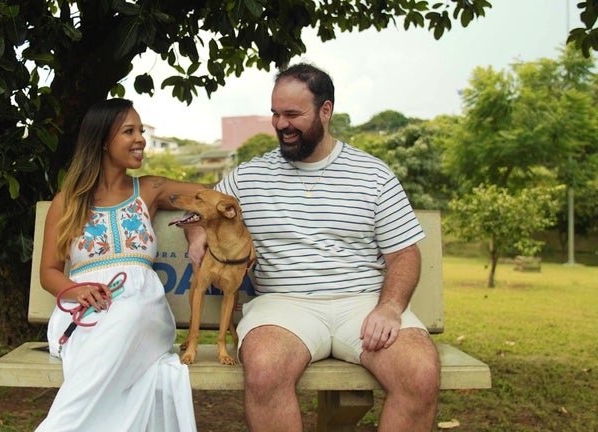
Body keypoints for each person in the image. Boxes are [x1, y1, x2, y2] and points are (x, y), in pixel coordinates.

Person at [187, 63, 440, 431]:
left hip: (364, 304)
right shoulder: (249, 176)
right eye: (275, 114)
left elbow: (404, 253)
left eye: (293, 114)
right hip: (284, 306)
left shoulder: (373, 174)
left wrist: (389, 307)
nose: (281, 124)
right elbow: (203, 208)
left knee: (419, 372)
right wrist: (197, 232)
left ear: (325, 110)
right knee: (264, 368)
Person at [36, 98, 201, 432]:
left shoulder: (150, 189)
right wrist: (75, 289)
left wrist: (195, 227)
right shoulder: (67, 201)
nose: (140, 139)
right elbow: (48, 272)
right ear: (102, 142)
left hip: (145, 313)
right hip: (85, 315)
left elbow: (211, 195)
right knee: (115, 326)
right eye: (129, 131)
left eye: (140, 130)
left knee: (131, 311)